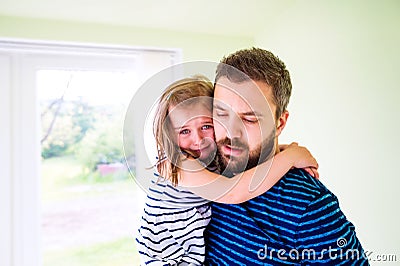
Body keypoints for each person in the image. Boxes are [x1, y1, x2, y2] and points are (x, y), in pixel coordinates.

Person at [204, 47, 369, 265]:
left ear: (280, 122)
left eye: (250, 119)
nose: (231, 132)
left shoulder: (308, 205)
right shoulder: (205, 168)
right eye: (221, 113)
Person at [135, 75, 319, 265]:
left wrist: (282, 149)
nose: (198, 140)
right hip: (166, 257)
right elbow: (231, 193)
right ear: (169, 135)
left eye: (206, 126)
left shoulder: (208, 156)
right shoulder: (177, 164)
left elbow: (246, 149)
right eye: (184, 131)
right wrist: (289, 158)